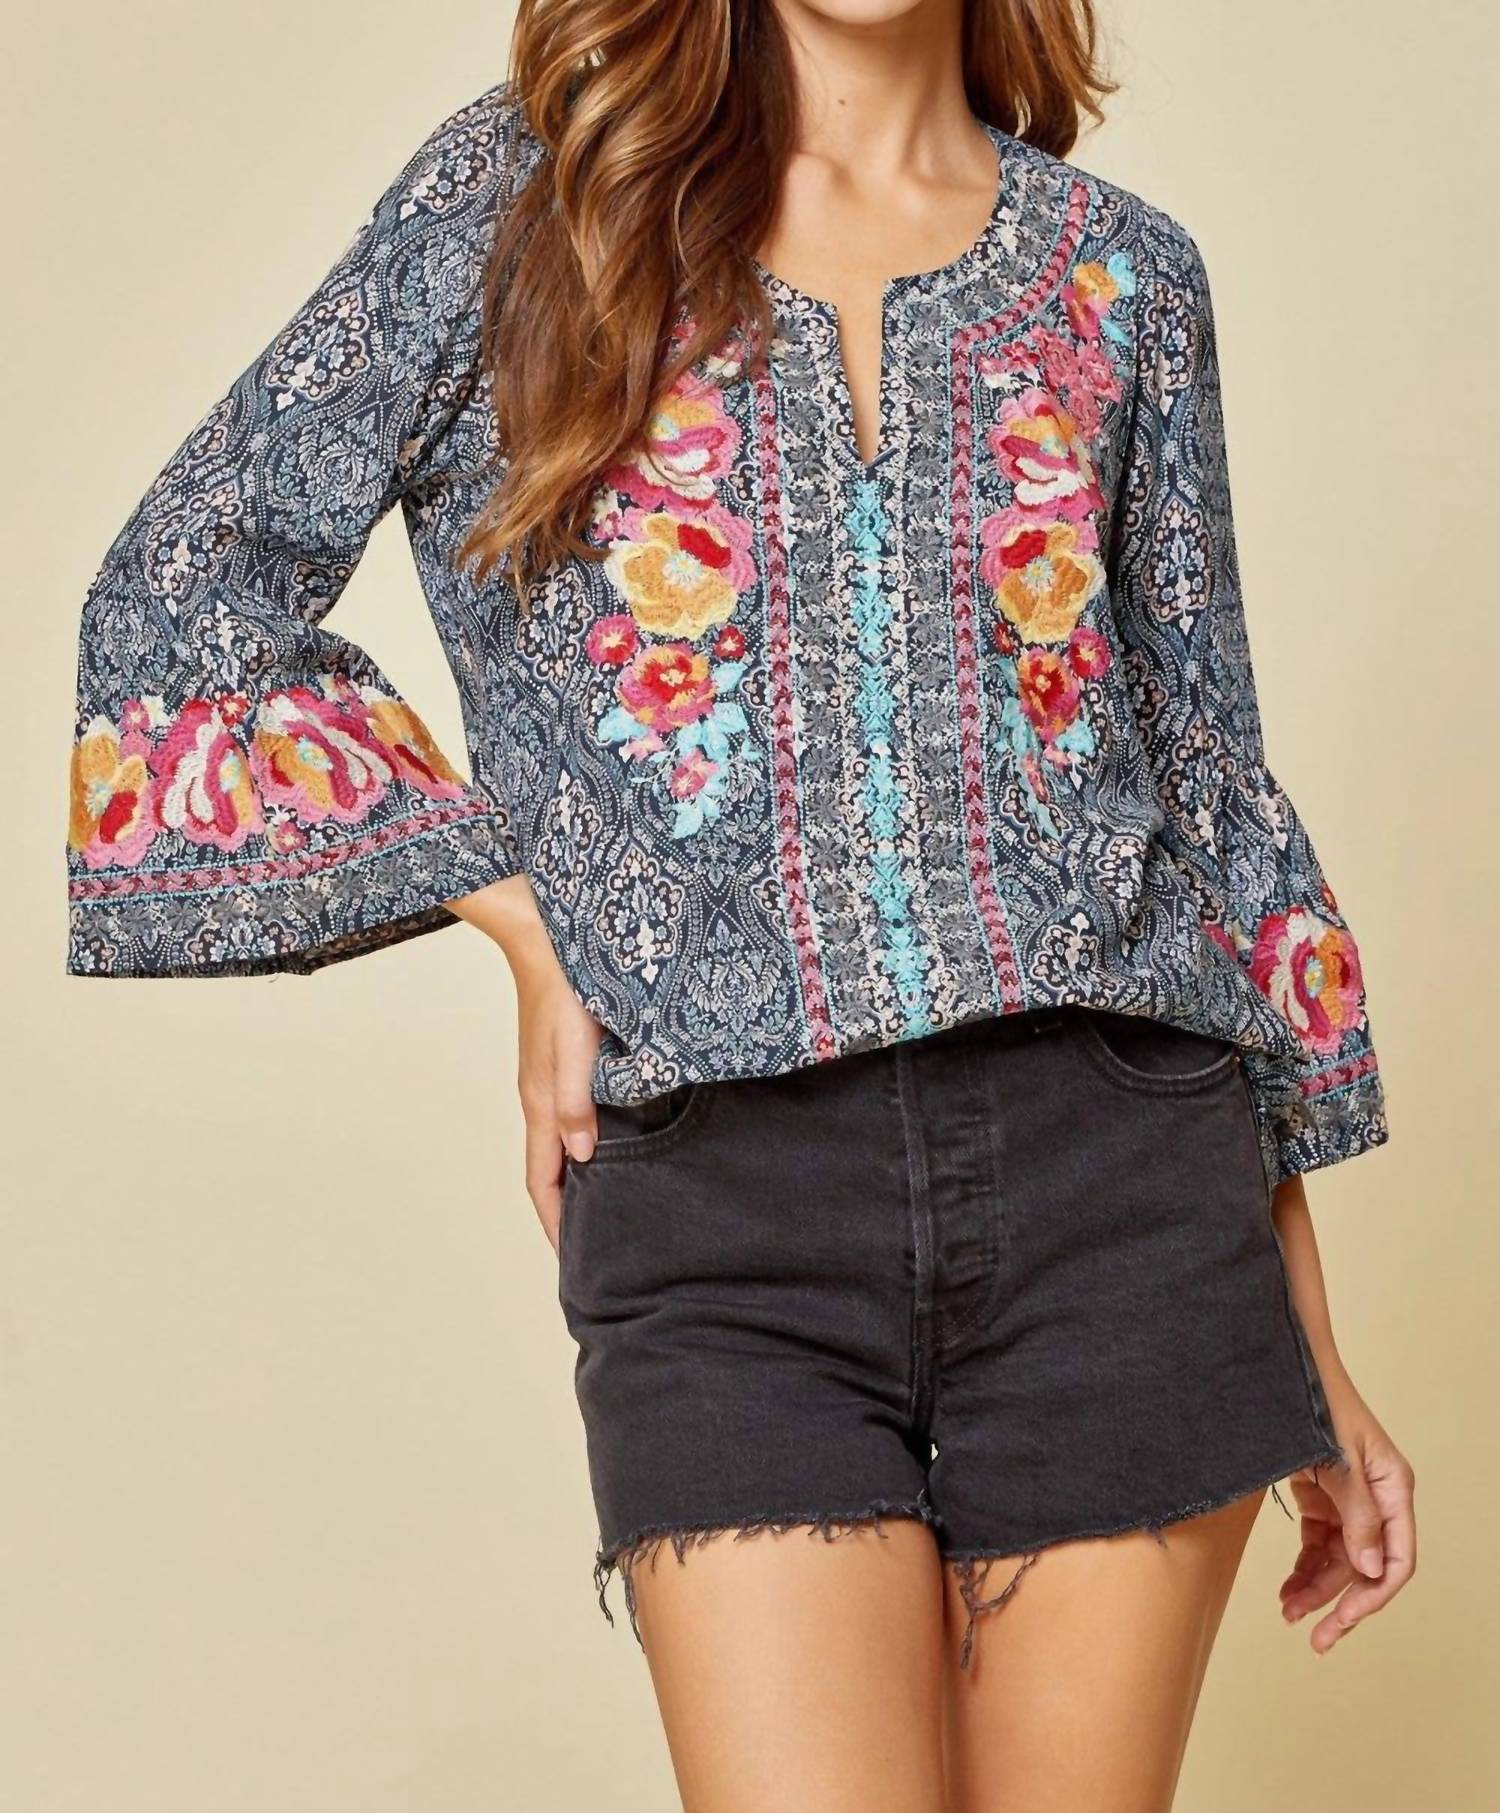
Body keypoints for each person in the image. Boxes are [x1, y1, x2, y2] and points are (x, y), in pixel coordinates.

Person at [65, 2, 1415, 1806]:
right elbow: (176, 596)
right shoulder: (537, 207)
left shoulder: (1126, 279)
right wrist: (511, 911)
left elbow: (1212, 804)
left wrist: (1308, 1341)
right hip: (722, 1223)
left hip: (1128, 1200)